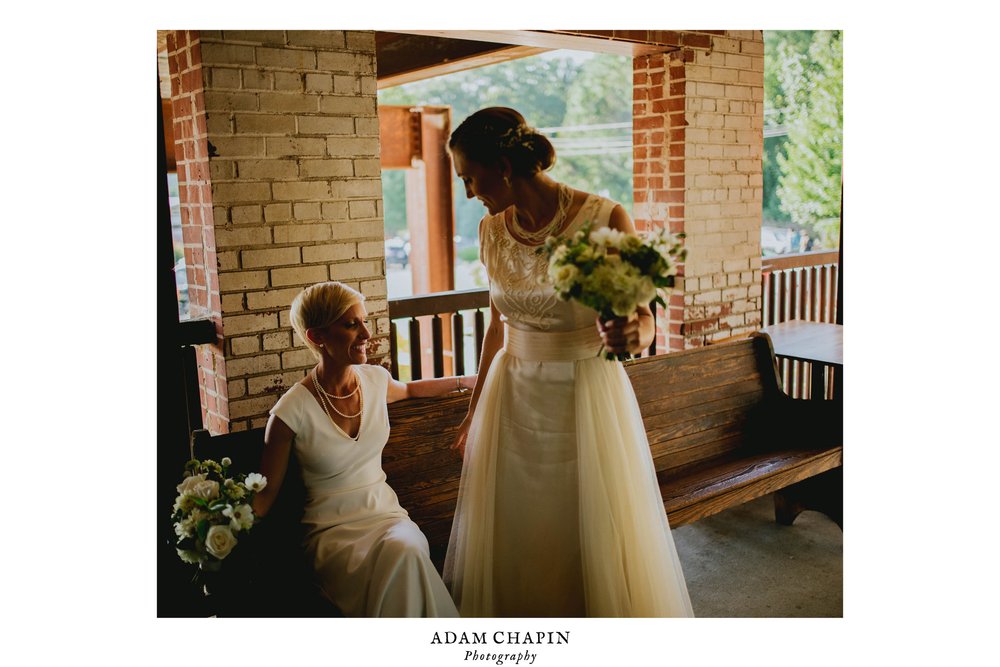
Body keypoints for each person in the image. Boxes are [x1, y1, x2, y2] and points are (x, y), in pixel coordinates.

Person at [443, 107, 693, 618]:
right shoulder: (491, 232)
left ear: (504, 166)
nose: (468, 192)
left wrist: (630, 334)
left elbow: (645, 322)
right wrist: (473, 415)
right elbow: (497, 327)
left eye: (469, 177)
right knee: (520, 533)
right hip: (511, 401)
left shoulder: (604, 219)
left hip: (585, 397)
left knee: (586, 534)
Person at [251, 281, 472, 617]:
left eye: (364, 321)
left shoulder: (374, 380)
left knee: (407, 550)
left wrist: (470, 381)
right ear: (317, 337)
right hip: (332, 536)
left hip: (386, 517)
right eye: (352, 324)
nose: (367, 334)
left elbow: (411, 390)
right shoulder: (289, 414)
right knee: (402, 560)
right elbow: (263, 498)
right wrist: (215, 523)